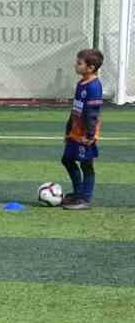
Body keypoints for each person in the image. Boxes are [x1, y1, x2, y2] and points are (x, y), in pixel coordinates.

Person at [62, 48, 104, 210]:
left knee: (86, 164)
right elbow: (76, 109)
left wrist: (90, 134)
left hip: (86, 134)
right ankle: (78, 192)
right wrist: (68, 129)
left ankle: (84, 198)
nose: (75, 65)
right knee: (67, 159)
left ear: (90, 68)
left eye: (79, 63)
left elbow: (92, 114)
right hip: (75, 131)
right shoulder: (81, 83)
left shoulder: (94, 87)